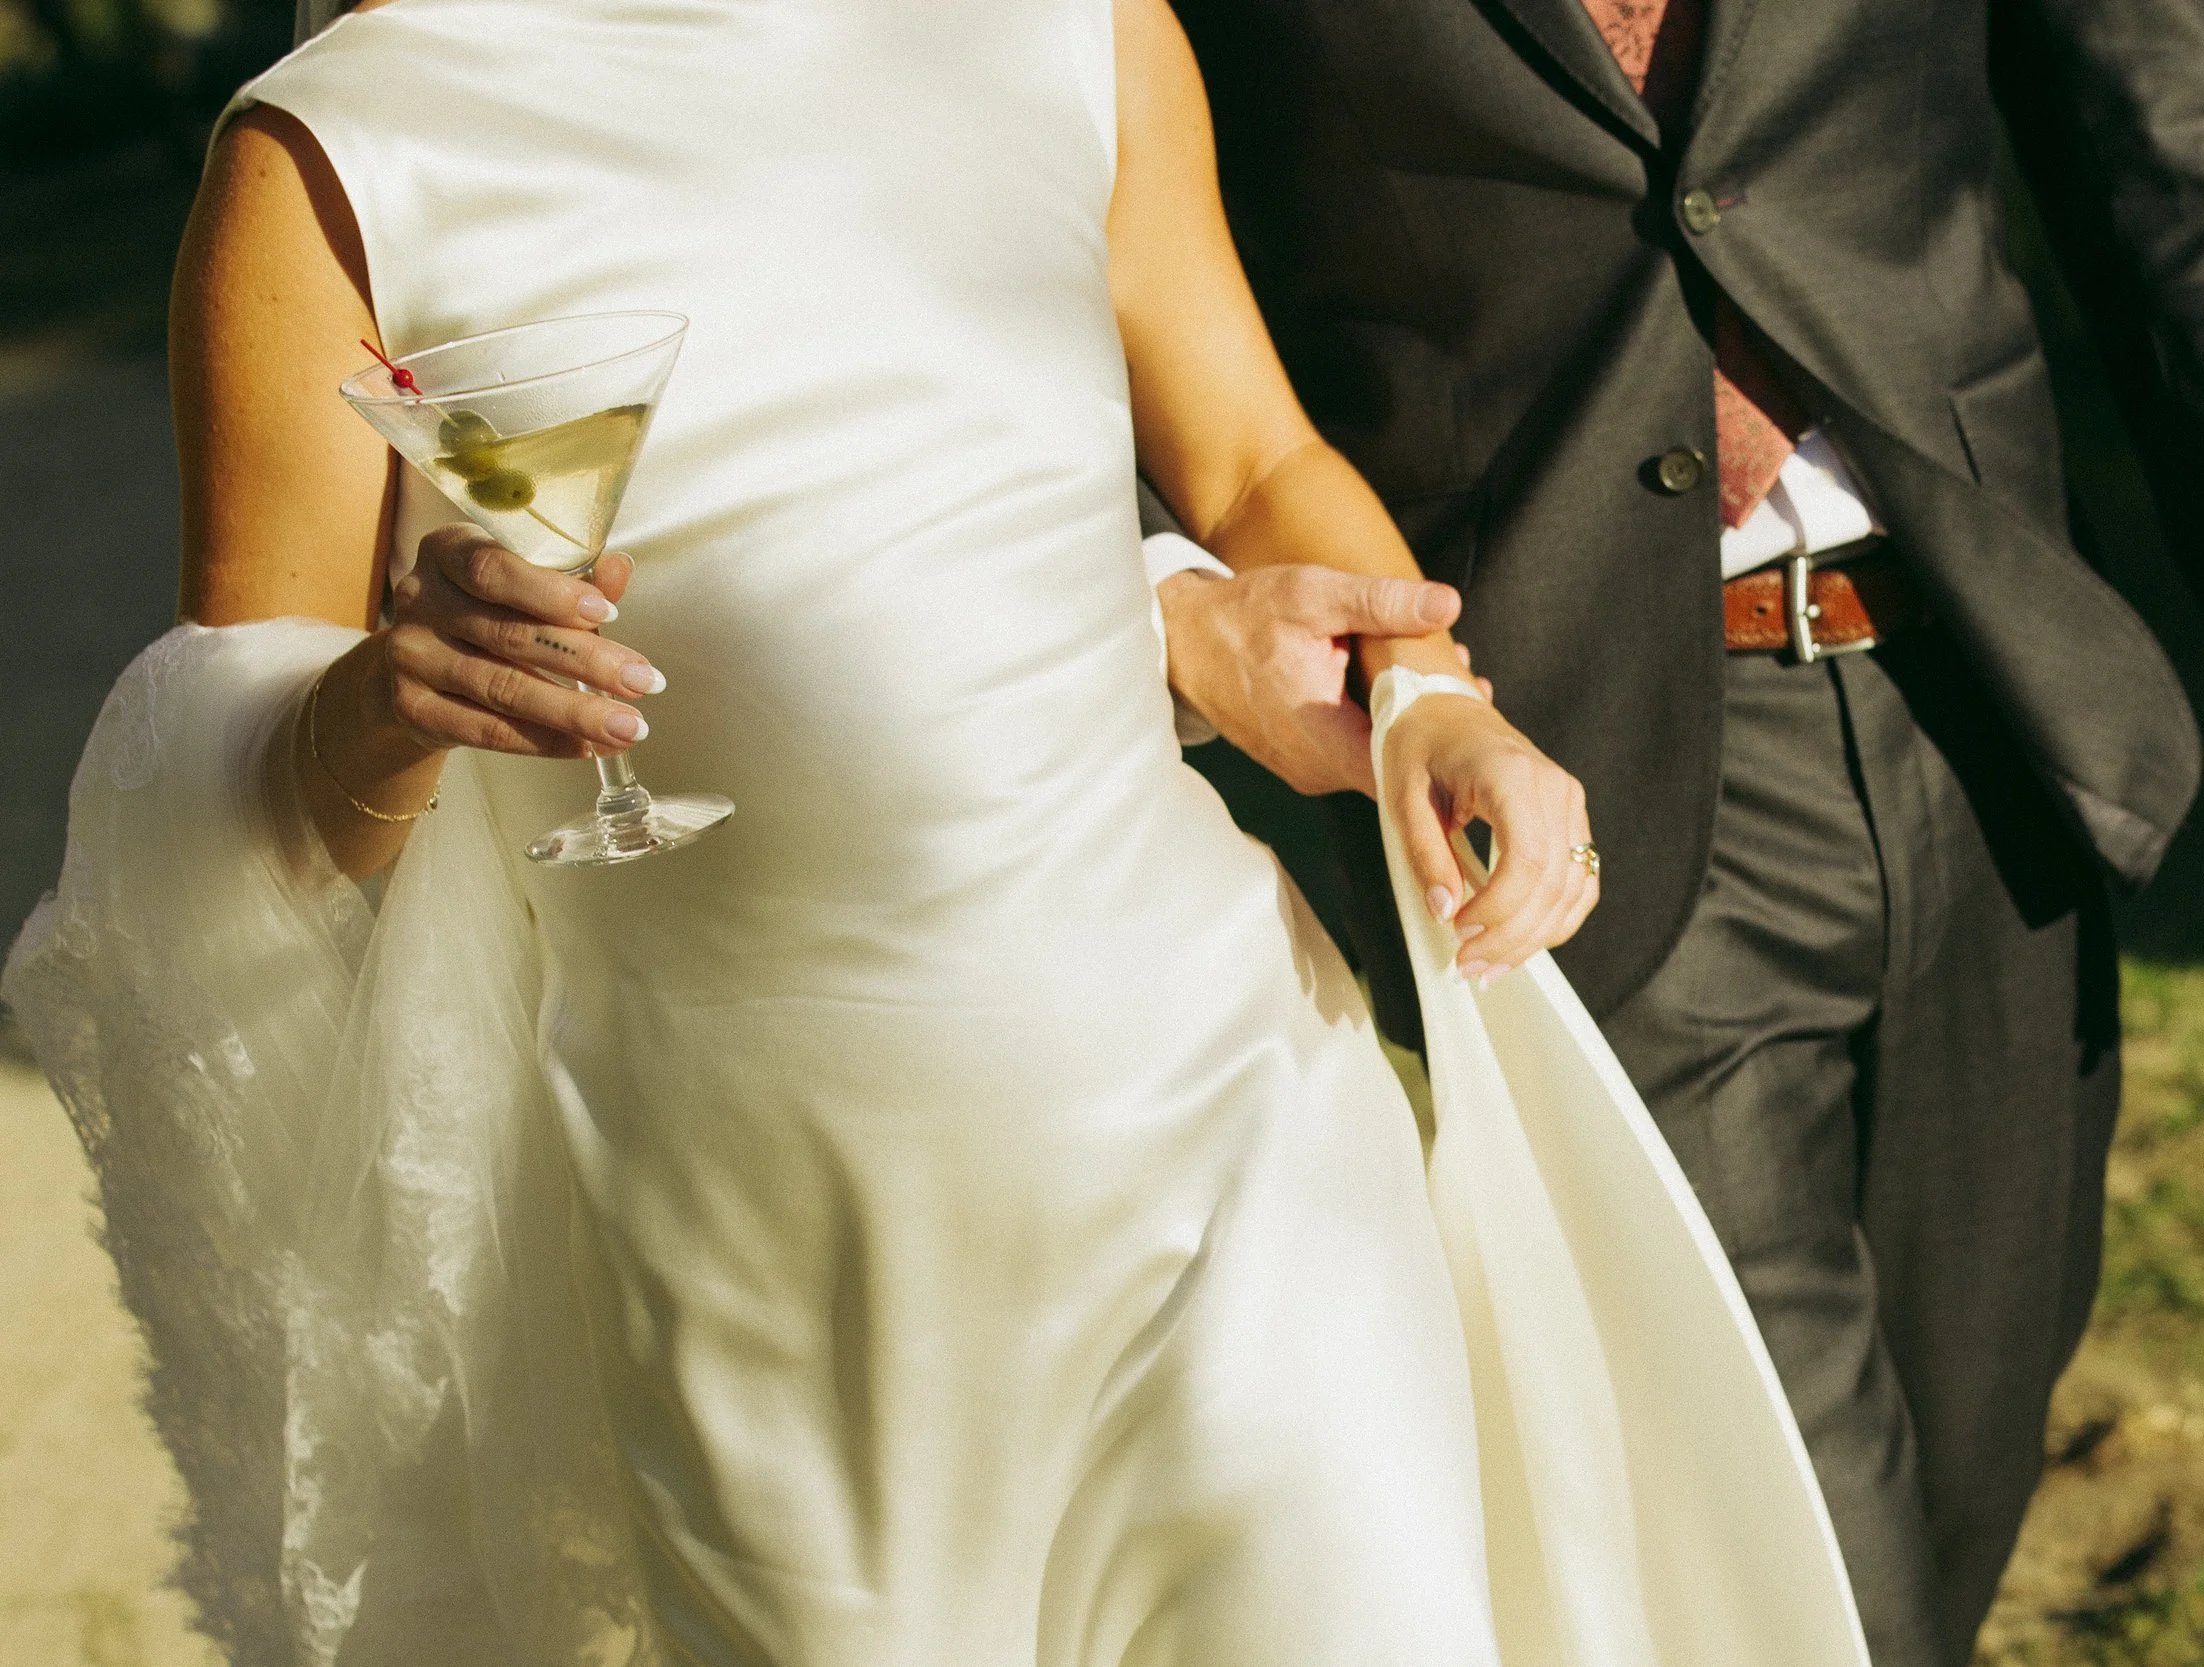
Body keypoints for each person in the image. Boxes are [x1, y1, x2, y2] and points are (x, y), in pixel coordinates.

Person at [4, 0, 1872, 1662]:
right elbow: (233, 799)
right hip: (759, 1242)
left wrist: (1430, 688)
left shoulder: (1072, 22)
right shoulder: (335, 155)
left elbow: (1252, 464)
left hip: (1228, 1105)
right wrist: (389, 705)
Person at [1140, 2, 2204, 1664]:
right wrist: (1175, 596)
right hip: (1563, 759)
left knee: (1964, 1464)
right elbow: (1062, 204)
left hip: (1988, 704)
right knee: (1811, 1575)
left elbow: (2167, 152)